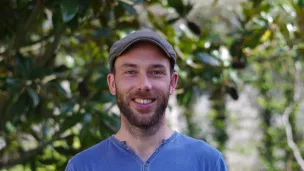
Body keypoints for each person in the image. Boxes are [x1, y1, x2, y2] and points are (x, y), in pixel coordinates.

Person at [65, 29, 228, 171]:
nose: (144, 85)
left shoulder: (207, 163)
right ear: (112, 83)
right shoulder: (83, 166)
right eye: (130, 72)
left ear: (172, 83)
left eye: (156, 72)